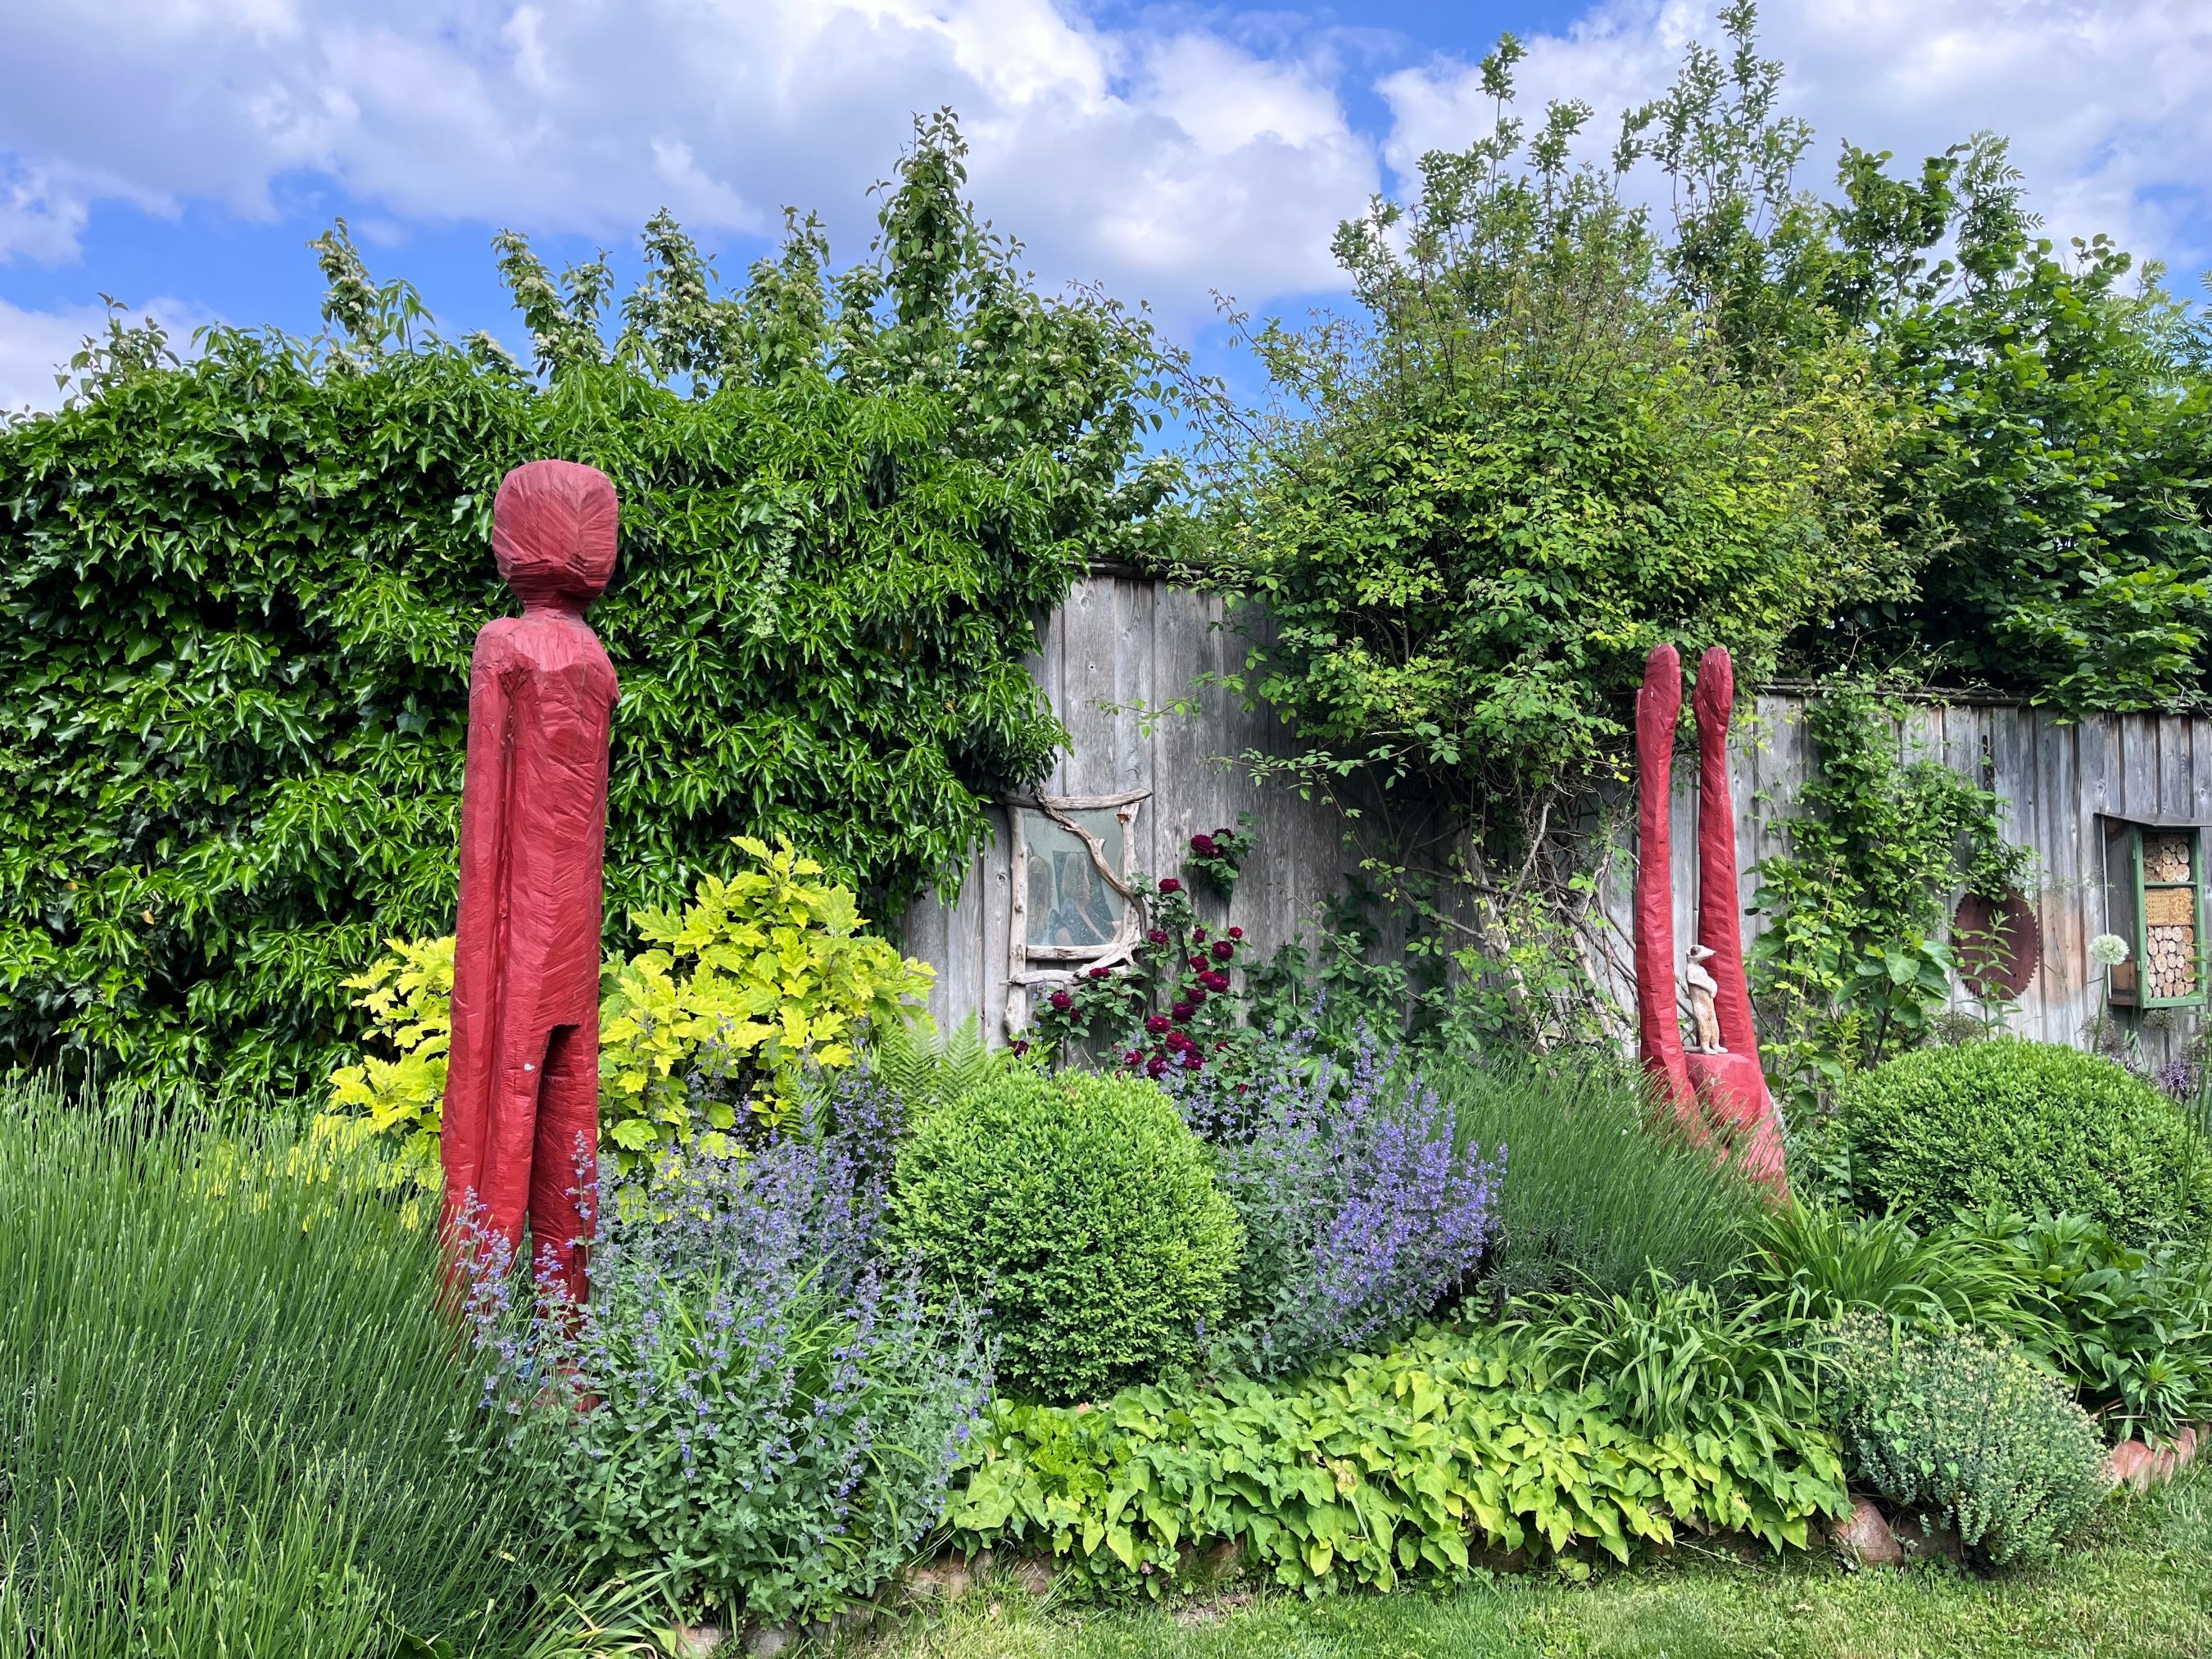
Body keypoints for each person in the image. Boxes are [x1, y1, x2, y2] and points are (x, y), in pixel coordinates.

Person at [440, 460, 621, 1304]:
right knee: (568, 1120)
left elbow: (486, 819)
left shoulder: (506, 647)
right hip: (574, 938)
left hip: (518, 937)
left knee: (494, 1119)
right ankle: (567, 1337)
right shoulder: (595, 660)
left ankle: (465, 1327)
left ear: (516, 539)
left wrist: (481, 950)